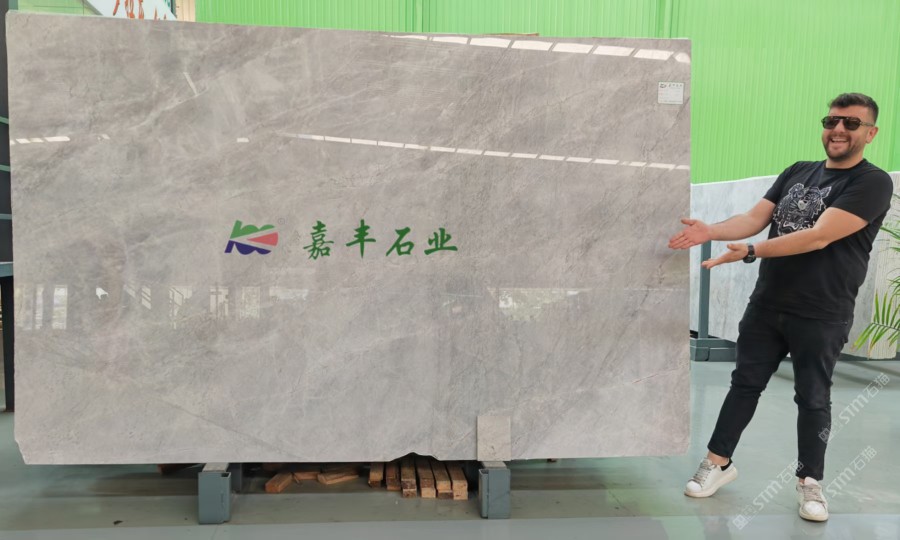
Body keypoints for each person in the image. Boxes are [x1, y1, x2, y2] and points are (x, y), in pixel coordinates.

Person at [668, 93, 892, 522]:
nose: (838, 130)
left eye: (851, 123)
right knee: (744, 384)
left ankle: (810, 482)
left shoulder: (872, 182)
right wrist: (711, 230)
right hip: (769, 303)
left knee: (813, 397)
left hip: (823, 309)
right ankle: (718, 463)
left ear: (870, 133)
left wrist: (752, 250)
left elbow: (819, 236)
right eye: (831, 121)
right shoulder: (797, 171)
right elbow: (755, 219)